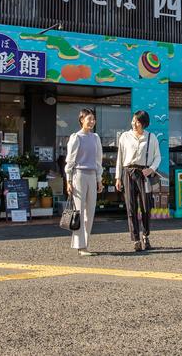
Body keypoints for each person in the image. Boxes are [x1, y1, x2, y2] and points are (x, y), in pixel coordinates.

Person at [115, 110, 161, 252]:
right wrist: (118, 177)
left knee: (146, 206)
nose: (134, 124)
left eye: (138, 122)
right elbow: (120, 157)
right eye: (133, 120)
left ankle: (146, 236)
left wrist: (151, 169)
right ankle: (135, 239)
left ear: (144, 123)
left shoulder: (151, 137)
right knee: (131, 207)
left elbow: (158, 157)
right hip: (128, 172)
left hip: (144, 174)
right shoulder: (125, 136)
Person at [64, 108, 103, 256]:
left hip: (92, 175)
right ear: (81, 120)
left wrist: (99, 179)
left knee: (90, 212)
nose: (92, 122)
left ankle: (85, 244)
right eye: (89, 119)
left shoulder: (96, 138)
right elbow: (70, 160)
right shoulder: (76, 137)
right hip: (78, 175)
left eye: (93, 119)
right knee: (79, 212)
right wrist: (68, 180)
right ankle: (80, 246)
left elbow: (98, 160)